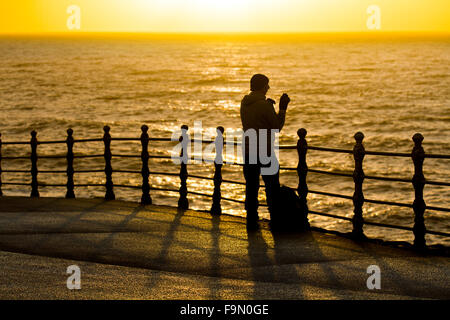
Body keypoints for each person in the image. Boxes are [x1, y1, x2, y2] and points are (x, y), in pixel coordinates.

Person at [240, 74, 290, 230]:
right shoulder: (264, 105)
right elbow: (276, 127)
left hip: (249, 149)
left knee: (251, 185)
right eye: (267, 85)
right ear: (262, 86)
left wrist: (268, 106)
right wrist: (282, 109)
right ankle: (275, 219)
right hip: (265, 150)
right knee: (272, 185)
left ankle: (251, 219)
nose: (268, 88)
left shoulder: (245, 103)